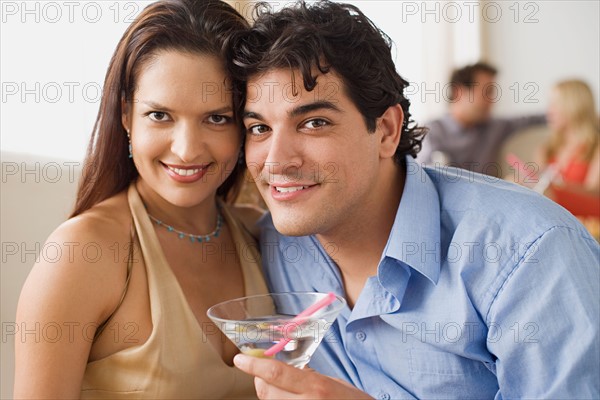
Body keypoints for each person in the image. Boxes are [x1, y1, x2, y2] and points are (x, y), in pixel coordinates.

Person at [229, 1, 600, 399]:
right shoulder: (270, 244)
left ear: (386, 130)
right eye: (259, 127)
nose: (277, 161)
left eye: (314, 122)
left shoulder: (530, 254)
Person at [14, 1, 267, 398]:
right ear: (127, 116)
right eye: (160, 115)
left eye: (217, 118)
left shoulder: (260, 233)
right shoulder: (83, 253)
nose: (186, 150)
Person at [417, 62, 546, 177]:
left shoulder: (494, 127)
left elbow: (531, 120)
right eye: (487, 92)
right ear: (459, 92)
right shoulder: (432, 132)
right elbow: (426, 177)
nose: (492, 100)